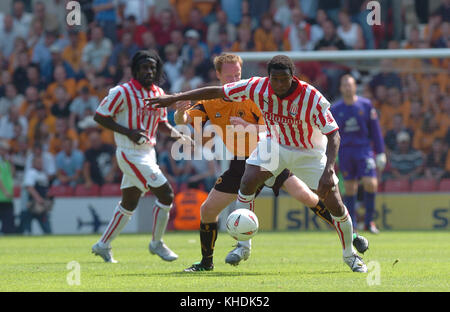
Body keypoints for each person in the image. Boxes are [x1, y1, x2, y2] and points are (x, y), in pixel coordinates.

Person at [148, 54, 369, 273]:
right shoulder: (251, 89)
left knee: (323, 200)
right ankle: (234, 250)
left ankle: (350, 249)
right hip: (270, 149)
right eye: (229, 75)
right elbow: (198, 109)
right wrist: (174, 100)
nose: (279, 84)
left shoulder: (307, 97)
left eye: (238, 74)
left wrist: (329, 169)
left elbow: (332, 134)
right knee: (233, 191)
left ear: (293, 77)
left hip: (304, 151)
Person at [91, 50, 193, 263]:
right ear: (135, 69)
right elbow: (99, 116)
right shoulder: (121, 92)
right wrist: (128, 132)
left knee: (129, 202)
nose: (149, 71)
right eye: (145, 67)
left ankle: (102, 245)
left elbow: (161, 124)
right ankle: (156, 243)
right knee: (166, 194)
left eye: (153, 68)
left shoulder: (158, 93)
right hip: (129, 153)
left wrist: (179, 136)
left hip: (149, 152)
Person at [331, 75, 386, 234]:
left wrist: (380, 152)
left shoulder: (366, 105)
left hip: (364, 150)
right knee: (350, 188)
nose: (348, 88)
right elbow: (332, 134)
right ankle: (352, 225)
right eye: (345, 85)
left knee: (371, 183)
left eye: (350, 85)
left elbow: (375, 130)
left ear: (355, 87)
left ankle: (369, 222)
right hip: (345, 152)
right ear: (341, 88)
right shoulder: (335, 109)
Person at [0, 140, 16, 234]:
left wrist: (11, 163)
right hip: (2, 197)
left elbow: (12, 175)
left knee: (8, 225)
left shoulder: (6, 163)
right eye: (3, 149)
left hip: (7, 198)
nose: (5, 152)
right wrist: (5, 191)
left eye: (6, 150)